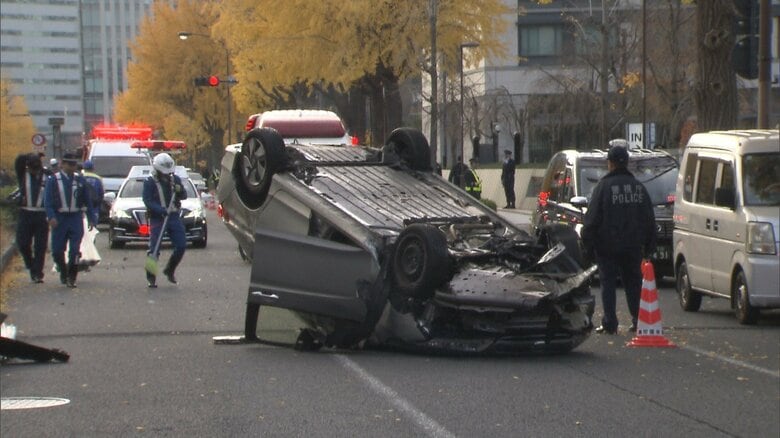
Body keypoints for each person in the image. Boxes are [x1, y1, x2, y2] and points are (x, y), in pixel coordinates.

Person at [581, 140, 656, 334]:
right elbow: (649, 219)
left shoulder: (603, 187)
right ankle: (638, 319)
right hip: (632, 246)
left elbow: (591, 220)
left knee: (608, 284)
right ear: (627, 163)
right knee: (633, 282)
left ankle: (610, 322)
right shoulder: (638, 188)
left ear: (611, 163)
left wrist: (587, 247)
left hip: (606, 247)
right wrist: (649, 246)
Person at [44, 152, 97, 287]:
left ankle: (72, 276)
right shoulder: (53, 180)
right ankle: (63, 271)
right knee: (57, 251)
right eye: (70, 164)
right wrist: (51, 216)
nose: (73, 167)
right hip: (59, 218)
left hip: (75, 218)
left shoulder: (80, 180)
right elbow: (48, 201)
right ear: (63, 164)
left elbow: (87, 201)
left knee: (74, 250)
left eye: (74, 164)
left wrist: (91, 218)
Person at [143, 153, 187, 288]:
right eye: (164, 173)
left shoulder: (175, 180)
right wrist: (160, 210)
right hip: (158, 218)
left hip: (173, 216)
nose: (167, 175)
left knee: (181, 245)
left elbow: (184, 195)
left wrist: (180, 190)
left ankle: (170, 269)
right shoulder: (149, 182)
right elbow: (147, 200)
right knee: (154, 249)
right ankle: (151, 276)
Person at [14, 153, 49, 283]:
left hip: (41, 214)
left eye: (37, 168)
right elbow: (19, 160)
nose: (34, 171)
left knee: (40, 246)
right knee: (22, 243)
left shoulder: (47, 175)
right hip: (25, 213)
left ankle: (38, 273)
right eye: (32, 168)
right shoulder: (23, 174)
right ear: (27, 167)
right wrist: (31, 155)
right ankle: (30, 264)